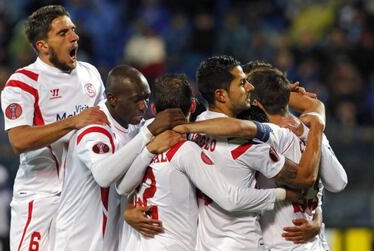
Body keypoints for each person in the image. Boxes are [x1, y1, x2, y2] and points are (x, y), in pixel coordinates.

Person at [116, 74, 300, 251]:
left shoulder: (142, 140)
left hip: (138, 244)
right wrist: (283, 194)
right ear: (194, 105)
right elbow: (230, 199)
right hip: (176, 244)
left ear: (154, 109)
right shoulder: (187, 149)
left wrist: (148, 152)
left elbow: (122, 188)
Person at [0, 5, 108, 251]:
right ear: (42, 46)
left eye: (73, 30)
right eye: (63, 33)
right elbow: (18, 140)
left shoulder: (90, 74)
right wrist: (72, 121)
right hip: (41, 196)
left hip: (82, 197)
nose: (74, 37)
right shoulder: (23, 83)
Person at [191, 55, 324, 250]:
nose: (250, 88)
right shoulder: (248, 145)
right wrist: (317, 129)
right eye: (243, 83)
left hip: (205, 244)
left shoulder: (196, 127)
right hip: (244, 243)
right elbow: (305, 178)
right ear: (221, 95)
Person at [54, 65, 187, 251]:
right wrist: (148, 134)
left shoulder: (133, 125)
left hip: (109, 239)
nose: (143, 105)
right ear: (112, 99)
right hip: (78, 241)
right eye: (136, 100)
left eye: (146, 97)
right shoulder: (94, 128)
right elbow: (103, 176)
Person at [244, 65, 347, 250]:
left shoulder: (256, 140)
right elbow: (338, 183)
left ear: (255, 102)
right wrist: (313, 129)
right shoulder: (313, 132)